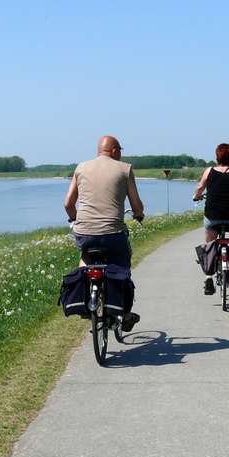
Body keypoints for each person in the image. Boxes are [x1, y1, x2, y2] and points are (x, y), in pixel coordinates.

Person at [64, 135, 144, 329]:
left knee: (85, 256)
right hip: (113, 233)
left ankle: (84, 301)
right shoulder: (125, 169)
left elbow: (68, 203)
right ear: (115, 151)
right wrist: (138, 214)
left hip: (85, 232)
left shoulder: (81, 167)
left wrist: (76, 219)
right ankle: (123, 311)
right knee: (122, 266)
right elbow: (136, 204)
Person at [193, 143, 229, 295]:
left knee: (210, 242)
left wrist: (196, 196)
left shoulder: (208, 171)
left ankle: (208, 277)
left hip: (212, 217)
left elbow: (199, 188)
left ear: (216, 156)